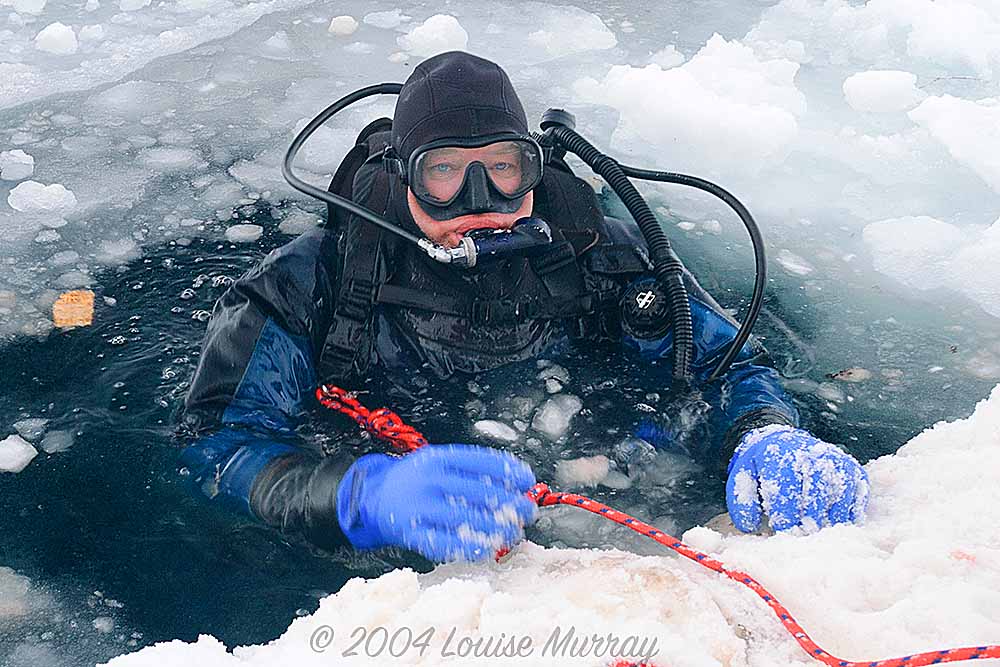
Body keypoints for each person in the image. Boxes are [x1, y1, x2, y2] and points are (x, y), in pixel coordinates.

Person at [178, 51, 869, 563]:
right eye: (444, 172)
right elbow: (214, 444)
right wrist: (354, 496)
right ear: (403, 174)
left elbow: (721, 360)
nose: (480, 199)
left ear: (533, 166)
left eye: (503, 168)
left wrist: (761, 429)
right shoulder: (309, 283)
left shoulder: (604, 251)